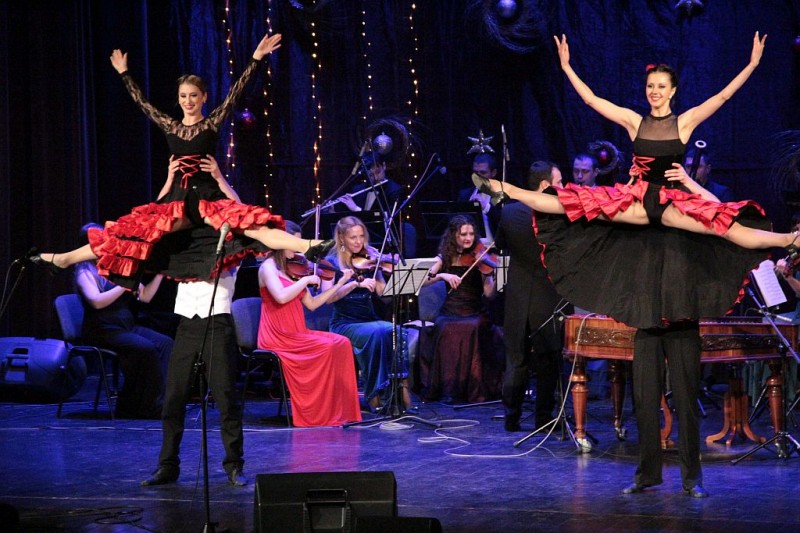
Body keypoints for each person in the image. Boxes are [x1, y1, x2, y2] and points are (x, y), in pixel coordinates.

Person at [471, 32, 782, 499]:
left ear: (673, 91)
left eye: (661, 87)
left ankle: (692, 477)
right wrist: (566, 67)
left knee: (687, 386)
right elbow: (593, 101)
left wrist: (753, 64)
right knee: (576, 204)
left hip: (676, 241)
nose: (654, 92)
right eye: (650, 86)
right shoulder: (635, 121)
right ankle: (647, 474)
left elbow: (722, 97)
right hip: (641, 236)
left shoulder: (684, 121)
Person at [30, 33, 333, 288]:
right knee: (127, 233)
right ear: (178, 99)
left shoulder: (211, 124)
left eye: (194, 95)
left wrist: (256, 58)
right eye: (183, 96)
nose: (188, 101)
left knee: (254, 226)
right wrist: (124, 73)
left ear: (203, 97)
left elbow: (235, 93)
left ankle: (308, 245)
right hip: (178, 201)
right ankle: (64, 259)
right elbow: (142, 103)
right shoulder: (170, 126)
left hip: (208, 199)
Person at [141, 250, 246, 487]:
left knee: (226, 398)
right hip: (187, 324)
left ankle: (234, 464)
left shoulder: (229, 247)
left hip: (218, 324)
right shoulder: (185, 249)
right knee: (173, 398)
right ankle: (168, 465)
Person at [257, 221, 362, 427]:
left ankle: (339, 410)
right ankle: (317, 412)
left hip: (297, 330)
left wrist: (340, 283)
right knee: (326, 346)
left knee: (342, 343)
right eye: (294, 242)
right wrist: (304, 281)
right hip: (278, 335)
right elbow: (280, 297)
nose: (298, 248)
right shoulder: (268, 267)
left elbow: (312, 304)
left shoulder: (292, 268)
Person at [495, 162, 568, 431]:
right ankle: (544, 418)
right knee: (548, 360)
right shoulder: (558, 214)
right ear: (545, 185)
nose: (563, 186)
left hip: (517, 296)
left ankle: (511, 418)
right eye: (559, 182)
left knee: (516, 359)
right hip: (548, 297)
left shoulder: (509, 212)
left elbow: (501, 245)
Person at [75, 223, 173, 419]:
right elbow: (96, 302)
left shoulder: (117, 266)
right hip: (102, 330)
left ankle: (158, 402)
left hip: (125, 327)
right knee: (145, 348)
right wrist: (124, 285)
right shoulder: (85, 271)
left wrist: (160, 274)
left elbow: (145, 296)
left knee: (165, 343)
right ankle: (138, 406)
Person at [322, 216, 412, 412]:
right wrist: (355, 284)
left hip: (370, 320)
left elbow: (383, 296)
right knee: (377, 333)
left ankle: (401, 392)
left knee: (398, 331)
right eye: (353, 237)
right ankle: (374, 397)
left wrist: (394, 277)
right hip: (345, 323)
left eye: (361, 236)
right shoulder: (330, 262)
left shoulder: (369, 260)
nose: (358, 242)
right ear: (341, 238)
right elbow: (327, 298)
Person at [420, 215, 504, 404]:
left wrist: (494, 276)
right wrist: (442, 276)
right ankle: (450, 388)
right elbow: (423, 281)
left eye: (471, 234)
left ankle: (472, 387)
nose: (468, 238)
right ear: (454, 235)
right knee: (444, 327)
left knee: (473, 327)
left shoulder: (481, 257)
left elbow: (489, 294)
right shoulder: (444, 257)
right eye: (463, 234)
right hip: (450, 311)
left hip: (474, 311)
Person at [457, 153, 502, 242]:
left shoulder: (503, 195)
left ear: (493, 173)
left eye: (483, 172)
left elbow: (506, 222)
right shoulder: (465, 194)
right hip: (469, 247)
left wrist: (486, 207)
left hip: (493, 247)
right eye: (475, 173)